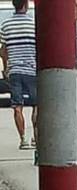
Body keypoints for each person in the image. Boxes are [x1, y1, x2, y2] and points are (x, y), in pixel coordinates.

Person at [0, 0, 36, 151]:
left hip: (14, 71)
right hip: (32, 70)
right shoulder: (33, 25)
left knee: (17, 106)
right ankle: (36, 137)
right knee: (37, 105)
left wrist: (6, 67)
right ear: (26, 5)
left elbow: (3, 49)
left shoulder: (5, 25)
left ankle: (23, 139)